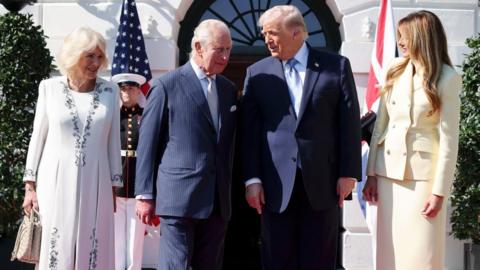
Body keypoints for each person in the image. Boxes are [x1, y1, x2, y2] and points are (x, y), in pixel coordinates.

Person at [242, 5, 361, 270]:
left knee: (319, 258)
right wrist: (252, 179)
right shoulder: (257, 73)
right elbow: (250, 134)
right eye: (264, 34)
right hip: (274, 186)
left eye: (272, 33)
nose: (266, 40)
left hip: (323, 183)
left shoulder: (336, 66)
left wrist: (348, 173)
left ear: (296, 32)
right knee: (276, 259)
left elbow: (349, 123)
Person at [134, 19, 237, 270]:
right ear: (198, 47)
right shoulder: (166, 85)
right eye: (219, 49)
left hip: (217, 200)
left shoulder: (228, 89)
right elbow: (148, 143)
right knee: (175, 266)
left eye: (228, 50)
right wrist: (145, 195)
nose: (225, 57)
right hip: (178, 198)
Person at [362, 10, 462, 270]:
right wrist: (371, 172)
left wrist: (439, 192)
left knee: (422, 258)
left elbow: (449, 141)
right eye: (398, 37)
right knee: (389, 257)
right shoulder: (394, 70)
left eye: (405, 37)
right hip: (387, 178)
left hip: (422, 182)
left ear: (422, 37)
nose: (400, 42)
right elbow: (380, 126)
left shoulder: (448, 78)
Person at [21, 27, 122, 270]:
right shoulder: (49, 88)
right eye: (90, 56)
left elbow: (113, 141)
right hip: (54, 180)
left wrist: (114, 185)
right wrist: (29, 186)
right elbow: (39, 136)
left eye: (100, 57)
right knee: (57, 245)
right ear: (74, 56)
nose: (96, 63)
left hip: (97, 181)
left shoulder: (111, 90)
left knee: (94, 245)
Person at [111, 73, 147, 270]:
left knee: (135, 239)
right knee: (116, 237)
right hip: (116, 185)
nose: (126, 92)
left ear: (138, 90)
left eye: (131, 88)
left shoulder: (146, 114)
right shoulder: (112, 115)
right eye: (123, 88)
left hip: (137, 183)